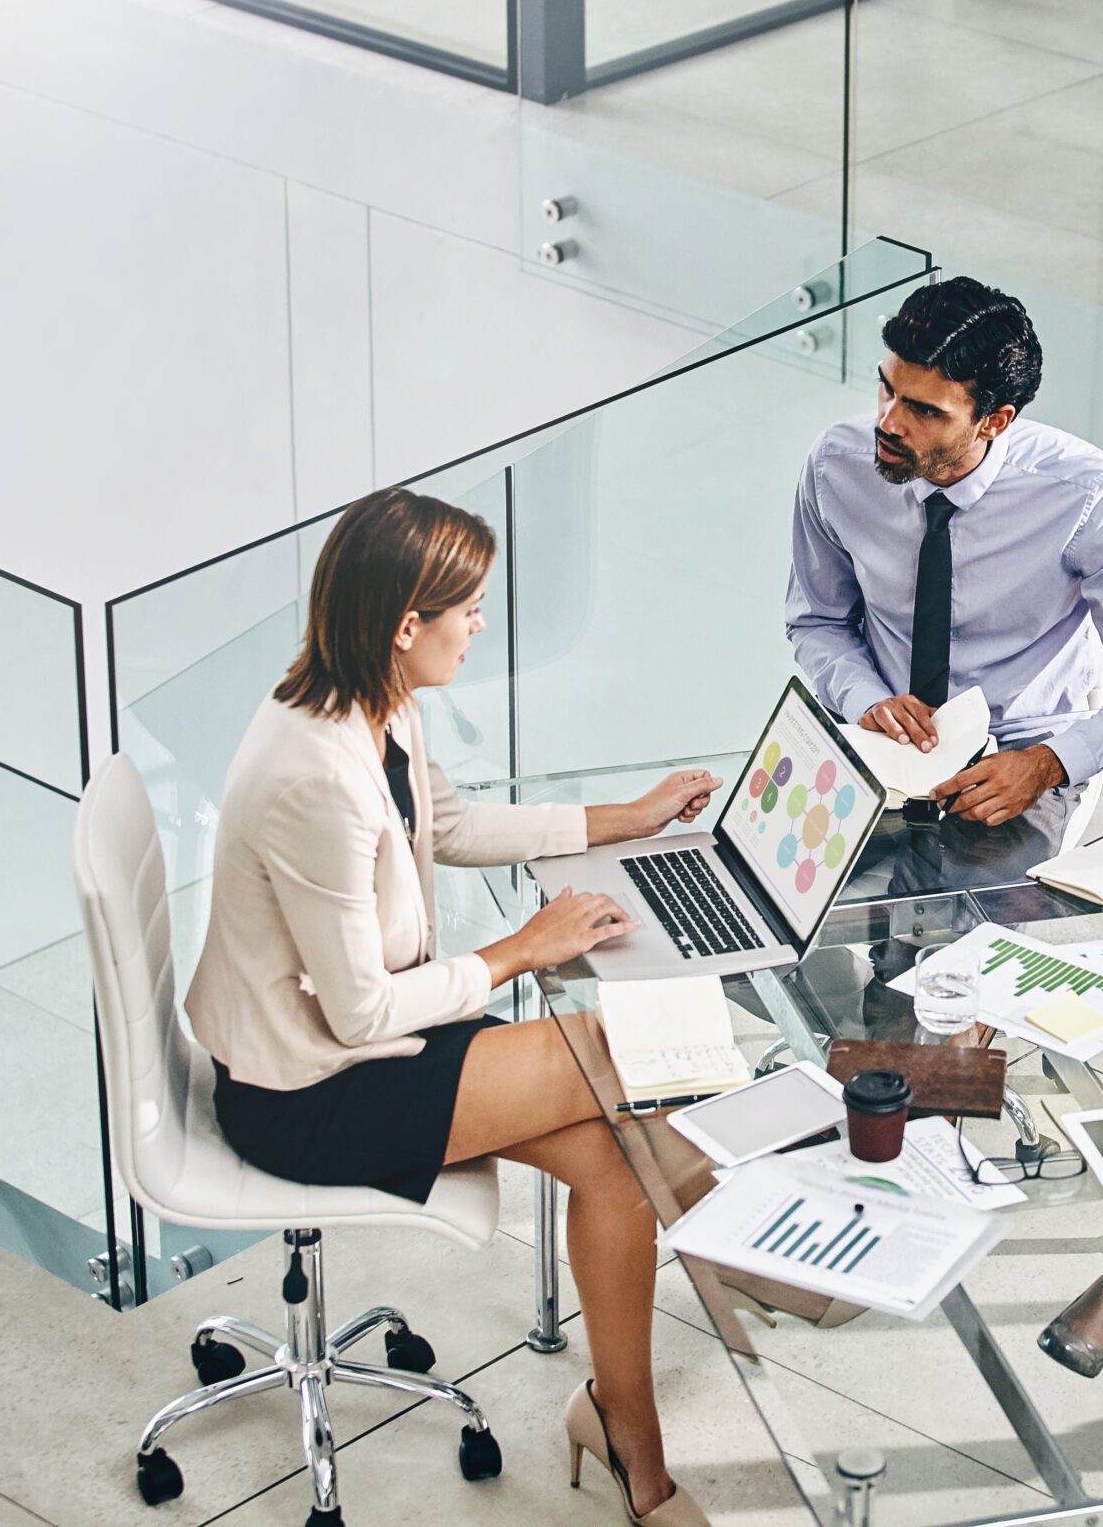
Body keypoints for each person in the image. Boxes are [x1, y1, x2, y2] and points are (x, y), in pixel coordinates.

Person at [184, 488, 717, 1527]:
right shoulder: (315, 781)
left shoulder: (372, 701)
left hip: (375, 1042)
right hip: (310, 1091)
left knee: (613, 1163)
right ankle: (755, 1244)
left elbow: (455, 824)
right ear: (403, 626)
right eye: (467, 609)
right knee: (622, 1050)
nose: (480, 625)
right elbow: (356, 1016)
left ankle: (625, 1439)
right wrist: (522, 951)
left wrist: (628, 816)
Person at [784, 275, 1103, 850]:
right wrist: (866, 699)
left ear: (995, 421)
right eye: (887, 390)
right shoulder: (837, 464)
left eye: (924, 411)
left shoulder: (1085, 493)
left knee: (974, 937)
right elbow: (818, 621)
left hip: (1020, 758)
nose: (888, 423)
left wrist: (1048, 765)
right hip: (873, 743)